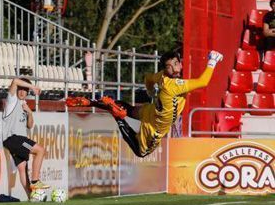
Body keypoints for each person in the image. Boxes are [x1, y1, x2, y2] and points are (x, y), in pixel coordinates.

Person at [66, 50, 224, 157]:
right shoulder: (176, 85)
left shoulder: (161, 76)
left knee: (127, 108)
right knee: (141, 152)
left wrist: (150, 92)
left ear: (180, 64)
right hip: (156, 126)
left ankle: (91, 102)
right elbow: (203, 81)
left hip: (152, 111)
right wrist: (212, 61)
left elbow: (148, 78)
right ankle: (118, 117)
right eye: (170, 66)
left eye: (175, 64)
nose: (173, 68)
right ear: (167, 68)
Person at [2, 77, 50, 198]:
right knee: (40, 150)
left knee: (22, 168)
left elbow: (29, 125)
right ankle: (35, 181)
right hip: (14, 138)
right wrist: (32, 87)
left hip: (16, 140)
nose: (22, 92)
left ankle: (30, 196)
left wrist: (30, 113)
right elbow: (14, 81)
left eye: (25, 90)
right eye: (21, 89)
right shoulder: (12, 100)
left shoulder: (24, 105)